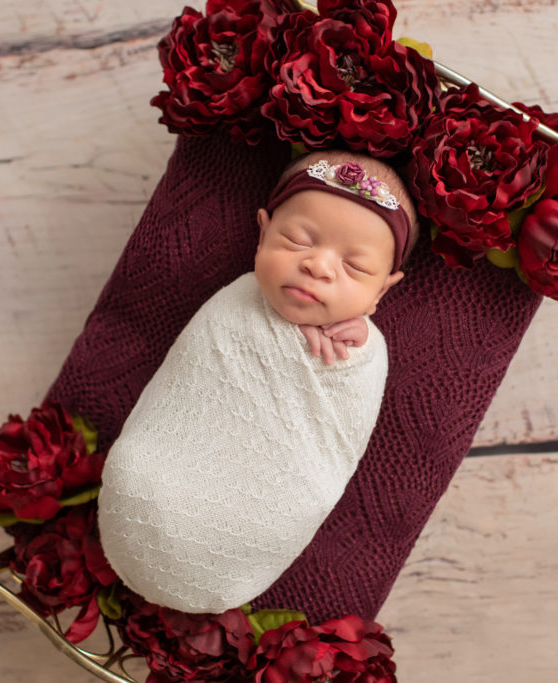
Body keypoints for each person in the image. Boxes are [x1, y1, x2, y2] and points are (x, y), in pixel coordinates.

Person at [97, 150, 418, 614]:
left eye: (355, 268)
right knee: (135, 469)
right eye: (298, 240)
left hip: (260, 513)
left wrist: (359, 353)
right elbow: (191, 381)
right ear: (263, 232)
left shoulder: (366, 350)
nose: (320, 267)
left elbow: (338, 435)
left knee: (280, 511)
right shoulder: (236, 302)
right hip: (162, 481)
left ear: (382, 291)